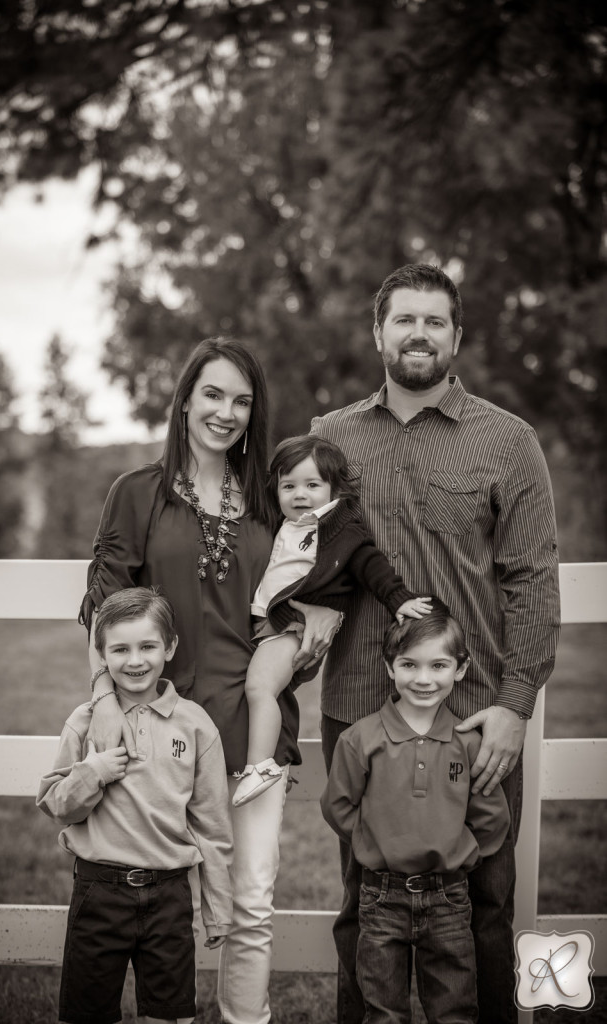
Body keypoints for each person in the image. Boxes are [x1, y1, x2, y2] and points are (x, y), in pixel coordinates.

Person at [311, 263, 561, 1024]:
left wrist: (516, 705)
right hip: (359, 706)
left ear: (457, 336)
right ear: (377, 332)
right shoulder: (330, 438)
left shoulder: (508, 441)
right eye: (404, 319)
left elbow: (532, 582)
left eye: (435, 321)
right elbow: (297, 549)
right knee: (364, 898)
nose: (418, 333)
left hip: (476, 713)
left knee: (485, 900)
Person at [78, 337, 338, 1024]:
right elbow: (103, 606)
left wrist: (312, 628)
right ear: (186, 398)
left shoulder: (274, 503)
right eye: (214, 394)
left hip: (250, 735)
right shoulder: (136, 494)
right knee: (148, 907)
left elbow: (314, 581)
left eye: (242, 400)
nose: (226, 411)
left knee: (250, 904)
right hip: (155, 741)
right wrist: (106, 701)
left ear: (255, 412)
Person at [37, 587, 233, 1024]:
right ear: (102, 656)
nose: (135, 660)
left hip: (170, 895)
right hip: (98, 890)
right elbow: (55, 805)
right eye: (120, 649)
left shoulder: (196, 725)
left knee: (171, 1015)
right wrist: (93, 771)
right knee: (87, 1013)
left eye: (148, 646)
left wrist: (218, 910)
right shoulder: (85, 721)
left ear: (171, 647)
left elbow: (213, 826)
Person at [321, 600, 510, 1023]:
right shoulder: (360, 738)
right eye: (409, 665)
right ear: (390, 666)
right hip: (380, 897)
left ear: (460, 669)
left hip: (449, 897)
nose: (423, 679)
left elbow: (491, 816)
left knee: (454, 1008)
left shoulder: (469, 743)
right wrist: (374, 840)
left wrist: (461, 850)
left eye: (438, 666)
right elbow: (337, 805)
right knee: (383, 1010)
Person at [234, 434, 432, 807]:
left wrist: (397, 598)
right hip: (269, 623)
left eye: (312, 485)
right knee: (266, 691)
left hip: (292, 626)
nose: (300, 495)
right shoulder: (284, 524)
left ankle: (261, 765)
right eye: (288, 485)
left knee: (259, 688)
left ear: (334, 488)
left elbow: (370, 564)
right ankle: (269, 755)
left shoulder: (337, 530)